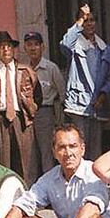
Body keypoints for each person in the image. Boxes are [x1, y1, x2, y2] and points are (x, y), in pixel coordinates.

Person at [0, 30, 42, 184]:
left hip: (22, 120)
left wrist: (32, 109)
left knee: (26, 163)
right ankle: (4, 197)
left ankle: (27, 198)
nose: (5, 50)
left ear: (13, 49)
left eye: (8, 46)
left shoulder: (26, 71)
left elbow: (38, 96)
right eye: (1, 46)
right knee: (2, 163)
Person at [61, 4, 110, 159]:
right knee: (78, 147)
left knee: (95, 150)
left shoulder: (104, 49)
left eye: (92, 20)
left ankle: (93, 182)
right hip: (78, 104)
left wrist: (103, 95)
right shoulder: (74, 46)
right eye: (86, 20)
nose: (89, 23)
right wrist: (79, 20)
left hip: (97, 105)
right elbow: (64, 44)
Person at [23, 32, 66, 177]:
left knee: (47, 153)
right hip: (27, 115)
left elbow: (62, 93)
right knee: (30, 154)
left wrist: (58, 118)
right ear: (24, 48)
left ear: (43, 47)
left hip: (46, 113)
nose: (33, 48)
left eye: (36, 44)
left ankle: (49, 188)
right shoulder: (23, 70)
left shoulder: (51, 68)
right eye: (29, 45)